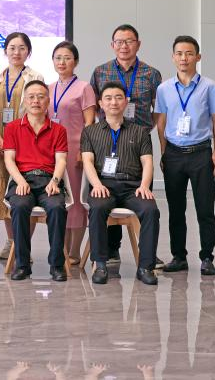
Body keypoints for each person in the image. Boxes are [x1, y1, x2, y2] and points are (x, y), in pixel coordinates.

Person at [89, 23, 162, 266]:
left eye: (129, 41)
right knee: (107, 188)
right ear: (112, 45)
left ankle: (146, 253)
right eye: (119, 42)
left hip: (137, 141)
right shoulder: (101, 72)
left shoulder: (151, 74)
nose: (124, 46)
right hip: (107, 138)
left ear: (138, 44)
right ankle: (111, 249)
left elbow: (158, 109)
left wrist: (145, 130)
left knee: (140, 194)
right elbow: (94, 105)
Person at [153, 35, 215, 276]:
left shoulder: (209, 86)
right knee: (176, 209)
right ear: (173, 57)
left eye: (189, 53)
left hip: (201, 153)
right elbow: (161, 123)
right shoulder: (164, 89)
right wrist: (163, 152)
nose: (184, 58)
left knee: (205, 208)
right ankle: (178, 256)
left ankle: (207, 257)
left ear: (198, 57)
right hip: (173, 153)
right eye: (179, 53)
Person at [80, 81, 161, 285]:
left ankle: (146, 267)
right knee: (98, 208)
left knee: (151, 210)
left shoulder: (140, 131)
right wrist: (96, 185)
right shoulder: (90, 132)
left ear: (126, 102)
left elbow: (147, 162)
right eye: (108, 98)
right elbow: (88, 162)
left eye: (118, 98)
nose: (113, 102)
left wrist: (144, 186)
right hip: (104, 185)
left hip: (132, 187)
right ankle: (100, 264)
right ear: (100, 103)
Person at [0, 32, 46, 263]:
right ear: (5, 51)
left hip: (26, 141)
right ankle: (12, 240)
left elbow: (38, 110)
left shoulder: (35, 76)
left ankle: (24, 243)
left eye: (22, 48)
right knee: (4, 190)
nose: (16, 52)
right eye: (12, 47)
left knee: (26, 189)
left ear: (28, 52)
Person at [3, 80, 69, 281]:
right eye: (31, 97)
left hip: (49, 180)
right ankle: (22, 265)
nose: (36, 101)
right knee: (20, 206)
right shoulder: (13, 127)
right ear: (24, 100)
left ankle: (57, 265)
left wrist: (55, 181)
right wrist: (20, 181)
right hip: (22, 180)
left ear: (48, 101)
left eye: (41, 97)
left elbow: (61, 160)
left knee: (57, 208)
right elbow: (9, 159)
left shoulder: (58, 130)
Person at [48, 41, 97, 265]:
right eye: (58, 58)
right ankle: (61, 248)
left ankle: (75, 250)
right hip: (53, 152)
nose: (62, 62)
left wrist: (84, 151)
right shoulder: (48, 88)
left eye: (67, 58)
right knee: (60, 199)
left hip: (75, 150)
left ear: (75, 62)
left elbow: (90, 123)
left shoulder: (84, 88)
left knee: (76, 200)